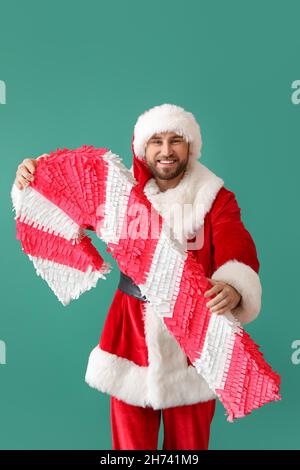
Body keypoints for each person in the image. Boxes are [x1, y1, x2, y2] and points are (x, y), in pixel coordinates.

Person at [14, 103, 262, 450]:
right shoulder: (119, 195)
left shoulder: (215, 197)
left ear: (190, 147)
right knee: (129, 451)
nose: (166, 150)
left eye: (176, 140)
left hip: (194, 340)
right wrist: (33, 173)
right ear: (142, 148)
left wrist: (235, 287)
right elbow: (67, 194)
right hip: (129, 336)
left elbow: (236, 241)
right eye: (156, 141)